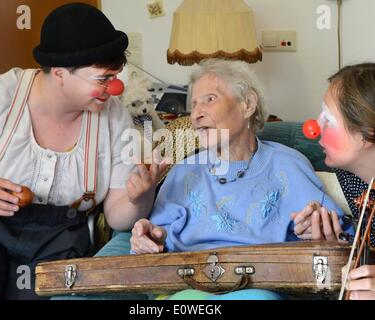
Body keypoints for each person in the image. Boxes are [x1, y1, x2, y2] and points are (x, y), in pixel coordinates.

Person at [0, 3, 165, 300]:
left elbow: (118, 218)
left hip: (60, 238)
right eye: (102, 79)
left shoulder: (114, 119)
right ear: (60, 73)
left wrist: (139, 195)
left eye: (115, 76)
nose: (114, 88)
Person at [129, 58, 348, 299]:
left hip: (261, 285)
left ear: (248, 104)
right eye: (194, 105)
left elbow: (339, 238)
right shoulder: (184, 169)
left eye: (209, 99)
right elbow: (154, 242)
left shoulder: (287, 164)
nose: (197, 114)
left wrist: (317, 230)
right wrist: (147, 239)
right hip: (190, 285)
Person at [292, 63, 375, 300]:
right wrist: (335, 245)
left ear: (366, 134)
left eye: (328, 118)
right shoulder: (353, 179)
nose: (315, 128)